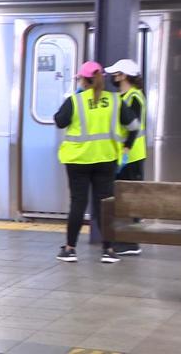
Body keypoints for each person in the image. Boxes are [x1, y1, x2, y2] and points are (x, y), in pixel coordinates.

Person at [53, 61, 140, 264]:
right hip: (106, 159)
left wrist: (73, 98)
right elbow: (134, 125)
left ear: (83, 79)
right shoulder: (116, 101)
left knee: (78, 202)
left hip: (78, 160)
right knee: (104, 204)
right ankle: (108, 249)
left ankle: (70, 249)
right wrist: (126, 146)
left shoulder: (75, 101)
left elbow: (59, 121)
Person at [105, 59, 147, 256]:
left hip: (131, 155)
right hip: (122, 154)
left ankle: (131, 243)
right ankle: (124, 240)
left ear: (124, 75)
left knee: (129, 199)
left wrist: (127, 149)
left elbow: (134, 126)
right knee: (121, 199)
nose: (114, 77)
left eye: (116, 73)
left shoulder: (134, 97)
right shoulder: (122, 96)